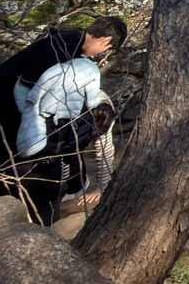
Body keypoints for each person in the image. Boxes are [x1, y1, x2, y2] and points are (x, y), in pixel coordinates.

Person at [0, 17, 126, 191]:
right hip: (8, 101)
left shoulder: (71, 43)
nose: (100, 55)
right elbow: (29, 85)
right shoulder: (62, 46)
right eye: (107, 49)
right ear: (105, 40)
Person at [12, 57, 114, 225]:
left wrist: (102, 187)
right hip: (61, 124)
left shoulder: (106, 114)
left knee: (78, 153)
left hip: (83, 124)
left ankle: (77, 186)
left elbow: (105, 153)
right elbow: (63, 149)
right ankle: (65, 188)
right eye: (92, 134)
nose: (93, 138)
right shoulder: (70, 108)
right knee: (65, 152)